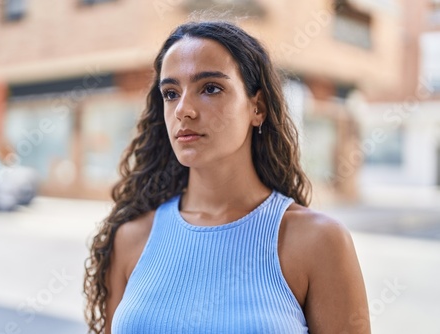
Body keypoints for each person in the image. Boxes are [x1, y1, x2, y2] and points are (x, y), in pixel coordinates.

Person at [84, 21, 370, 334]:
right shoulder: (131, 239)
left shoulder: (318, 242)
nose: (184, 110)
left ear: (257, 107)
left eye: (210, 88)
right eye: (170, 93)